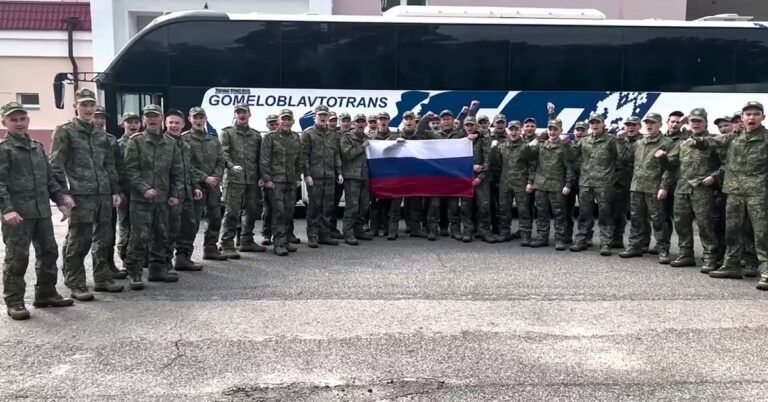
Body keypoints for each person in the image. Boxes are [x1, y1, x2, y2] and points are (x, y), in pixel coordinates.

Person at [0, 101, 76, 320]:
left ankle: (46, 293)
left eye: (22, 118)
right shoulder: (4, 150)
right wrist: (7, 210)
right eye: (13, 119)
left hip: (42, 211)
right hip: (18, 215)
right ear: (5, 122)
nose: (19, 123)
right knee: (17, 258)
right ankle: (14, 301)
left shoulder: (36, 147)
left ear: (28, 120)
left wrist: (61, 197)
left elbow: (48, 178)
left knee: (49, 252)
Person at [49, 88, 122, 300]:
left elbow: (109, 165)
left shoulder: (101, 134)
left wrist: (115, 190)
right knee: (79, 241)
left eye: (91, 105)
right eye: (84, 105)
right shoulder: (66, 131)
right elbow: (55, 164)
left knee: (104, 239)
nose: (89, 109)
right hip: (81, 195)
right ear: (76, 107)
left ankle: (102, 278)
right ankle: (76, 282)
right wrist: (63, 194)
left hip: (103, 195)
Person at [687, 102, 768, 289]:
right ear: (742, 119)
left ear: (762, 117)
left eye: (756, 114)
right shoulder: (733, 137)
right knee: (732, 231)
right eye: (748, 114)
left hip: (759, 193)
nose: (752, 118)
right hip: (734, 193)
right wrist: (695, 139)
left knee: (762, 234)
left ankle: (765, 271)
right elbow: (710, 141)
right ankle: (731, 265)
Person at [122, 104, 183, 290]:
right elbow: (130, 170)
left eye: (155, 116)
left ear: (161, 119)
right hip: (141, 200)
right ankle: (135, 272)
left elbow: (177, 171)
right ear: (144, 120)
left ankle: (158, 270)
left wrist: (175, 194)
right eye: (148, 116)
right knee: (139, 237)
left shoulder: (171, 143)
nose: (152, 119)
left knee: (161, 235)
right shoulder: (136, 141)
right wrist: (144, 189)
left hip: (163, 199)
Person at [663, 108, 721, 270]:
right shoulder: (683, 142)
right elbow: (672, 165)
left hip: (702, 189)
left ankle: (710, 257)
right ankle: (686, 254)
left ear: (705, 123)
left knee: (705, 224)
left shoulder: (714, 141)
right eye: (692, 121)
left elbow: (727, 164)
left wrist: (715, 177)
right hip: (682, 188)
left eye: (698, 121)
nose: (695, 124)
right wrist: (663, 158)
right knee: (682, 223)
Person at [618, 113, 673, 262]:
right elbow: (624, 159)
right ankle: (635, 246)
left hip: (654, 188)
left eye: (653, 123)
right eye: (647, 123)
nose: (649, 125)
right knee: (636, 219)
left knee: (658, 220)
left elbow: (670, 168)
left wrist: (664, 187)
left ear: (660, 125)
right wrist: (622, 141)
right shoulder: (639, 143)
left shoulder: (666, 143)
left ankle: (663, 250)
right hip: (637, 186)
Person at [219, 104, 267, 254]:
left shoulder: (256, 135)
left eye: (244, 112)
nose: (241, 115)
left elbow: (260, 158)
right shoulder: (227, 133)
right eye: (238, 112)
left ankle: (247, 240)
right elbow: (223, 154)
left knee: (252, 211)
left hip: (252, 179)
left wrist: (262, 177)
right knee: (232, 212)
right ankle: (227, 244)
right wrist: (231, 166)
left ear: (249, 114)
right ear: (235, 115)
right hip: (234, 179)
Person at [182, 107, 228, 260]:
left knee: (215, 218)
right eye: (195, 118)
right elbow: (185, 164)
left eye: (201, 118)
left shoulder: (213, 140)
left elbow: (221, 160)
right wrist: (204, 178)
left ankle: (211, 249)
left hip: (213, 186)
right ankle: (184, 256)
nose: (198, 121)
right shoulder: (184, 139)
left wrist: (215, 178)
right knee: (192, 222)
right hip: (195, 186)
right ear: (190, 119)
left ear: (205, 119)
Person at [570, 113, 618, 256]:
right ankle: (582, 239)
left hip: (604, 183)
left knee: (605, 213)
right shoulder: (584, 141)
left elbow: (620, 160)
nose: (594, 125)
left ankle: (605, 242)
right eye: (592, 123)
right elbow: (571, 157)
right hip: (586, 182)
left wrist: (613, 178)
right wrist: (566, 145)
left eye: (597, 122)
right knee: (584, 213)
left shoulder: (611, 141)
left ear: (603, 124)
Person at [165, 109, 204, 272]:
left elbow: (189, 168)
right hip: (170, 195)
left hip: (187, 193)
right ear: (165, 124)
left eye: (177, 123)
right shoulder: (163, 143)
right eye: (171, 123)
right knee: (169, 229)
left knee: (189, 226)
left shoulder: (185, 145)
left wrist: (195, 186)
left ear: (183, 124)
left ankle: (183, 258)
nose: (174, 126)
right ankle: (164, 263)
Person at [93, 106, 128, 280]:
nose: (99, 121)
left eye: (102, 118)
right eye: (95, 117)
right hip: (86, 195)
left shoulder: (110, 140)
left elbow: (117, 168)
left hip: (108, 194)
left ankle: (109, 265)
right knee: (84, 238)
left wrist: (118, 191)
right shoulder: (74, 136)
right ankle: (77, 276)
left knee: (109, 233)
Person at [261, 109, 302, 256]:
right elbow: (264, 160)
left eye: (288, 119)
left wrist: (298, 177)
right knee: (278, 212)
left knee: (289, 212)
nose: (286, 121)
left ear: (293, 121)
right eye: (283, 119)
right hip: (276, 182)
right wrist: (267, 179)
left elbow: (300, 159)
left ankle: (284, 240)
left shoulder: (296, 137)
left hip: (291, 181)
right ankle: (278, 243)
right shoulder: (270, 138)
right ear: (278, 121)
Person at [301, 105, 343, 248]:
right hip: (315, 177)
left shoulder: (333, 135)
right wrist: (307, 174)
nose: (323, 117)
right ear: (315, 116)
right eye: (320, 115)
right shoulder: (308, 134)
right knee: (314, 207)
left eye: (325, 115)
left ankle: (324, 234)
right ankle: (312, 235)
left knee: (328, 207)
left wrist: (339, 172)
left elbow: (336, 154)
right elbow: (304, 156)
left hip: (330, 176)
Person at [493, 119, 533, 244]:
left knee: (523, 210)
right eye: (512, 130)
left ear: (521, 130)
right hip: (505, 183)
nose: (514, 132)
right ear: (508, 131)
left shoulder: (526, 147)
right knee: (504, 210)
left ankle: (525, 234)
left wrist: (530, 182)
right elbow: (497, 164)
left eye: (516, 129)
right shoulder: (501, 146)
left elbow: (532, 165)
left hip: (521, 184)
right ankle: (505, 233)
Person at [339, 113, 374, 245]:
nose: (360, 124)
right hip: (352, 177)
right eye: (357, 122)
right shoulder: (346, 138)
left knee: (364, 205)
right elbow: (347, 155)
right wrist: (362, 147)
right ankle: (348, 232)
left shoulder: (368, 138)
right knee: (352, 206)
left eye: (362, 122)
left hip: (365, 176)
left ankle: (358, 230)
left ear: (365, 124)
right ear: (354, 124)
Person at [116, 112, 142, 269]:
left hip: (140, 193)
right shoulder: (118, 144)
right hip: (125, 193)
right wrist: (118, 191)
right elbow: (114, 170)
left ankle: (139, 258)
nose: (133, 125)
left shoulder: (143, 143)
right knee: (125, 227)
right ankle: (125, 259)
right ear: (122, 124)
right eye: (129, 122)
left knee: (140, 228)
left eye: (136, 122)